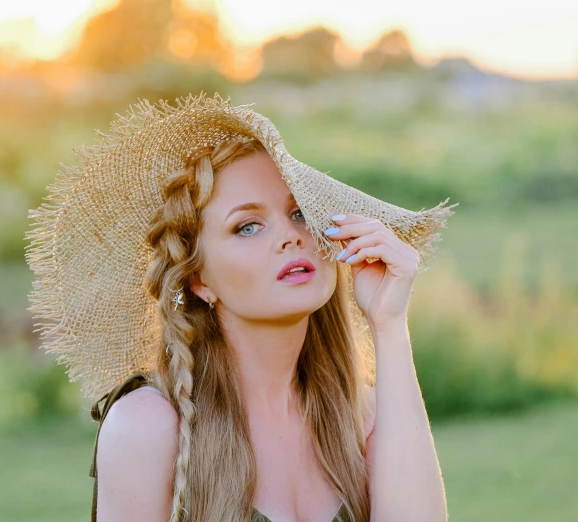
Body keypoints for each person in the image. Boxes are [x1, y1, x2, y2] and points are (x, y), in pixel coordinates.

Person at [25, 92, 456, 522]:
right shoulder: (149, 425)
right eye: (247, 226)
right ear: (199, 280)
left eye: (300, 213)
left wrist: (389, 325)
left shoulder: (362, 414)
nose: (290, 236)